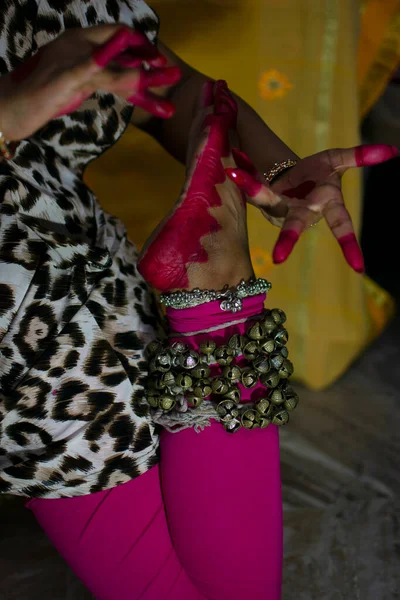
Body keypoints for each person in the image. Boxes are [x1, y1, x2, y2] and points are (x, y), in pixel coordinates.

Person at [0, 1, 396, 598]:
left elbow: (160, 82)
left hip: (71, 279)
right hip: (37, 313)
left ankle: (217, 295)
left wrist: (272, 165)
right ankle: (216, 297)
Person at [86, 0, 400, 391]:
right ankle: (216, 284)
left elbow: (166, 83)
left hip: (81, 238)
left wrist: (277, 168)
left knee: (205, 393)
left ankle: (215, 265)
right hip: (24, 268)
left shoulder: (60, 13)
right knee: (211, 397)